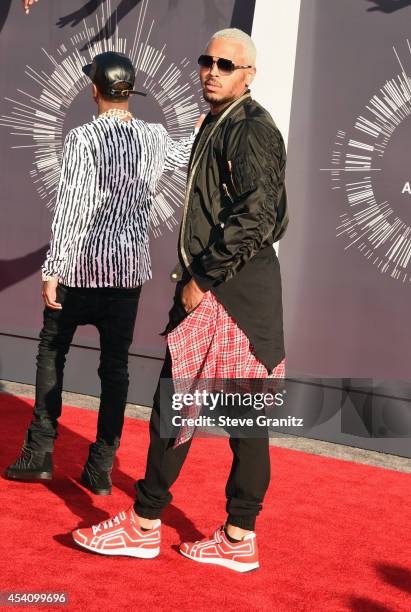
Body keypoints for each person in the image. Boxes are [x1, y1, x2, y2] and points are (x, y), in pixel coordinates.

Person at [72, 28, 288, 572]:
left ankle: (148, 526)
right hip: (236, 289)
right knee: (224, 413)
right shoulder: (220, 123)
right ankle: (236, 538)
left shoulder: (251, 128)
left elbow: (260, 216)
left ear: (248, 74)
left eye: (226, 63)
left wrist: (201, 279)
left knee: (198, 411)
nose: (212, 70)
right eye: (207, 60)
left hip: (226, 291)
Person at [5, 51, 201, 495]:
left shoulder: (82, 138)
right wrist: (201, 125)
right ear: (129, 92)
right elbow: (188, 149)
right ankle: (100, 467)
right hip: (127, 275)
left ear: (94, 89)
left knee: (51, 353)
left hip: (78, 269)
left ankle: (39, 452)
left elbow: (73, 208)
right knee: (115, 370)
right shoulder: (154, 137)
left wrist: (52, 268)